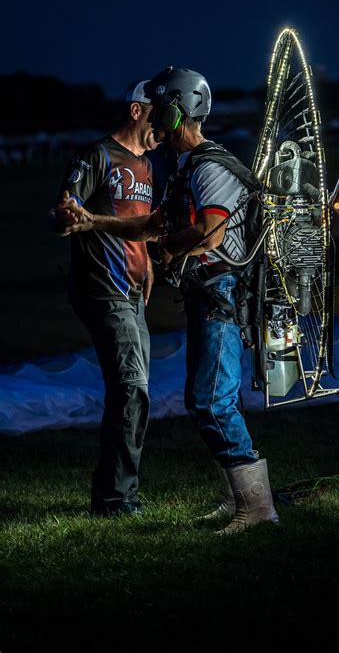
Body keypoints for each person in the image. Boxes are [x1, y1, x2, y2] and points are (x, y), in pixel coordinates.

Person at [56, 68, 279, 534]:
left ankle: (256, 508)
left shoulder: (209, 165)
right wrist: (93, 222)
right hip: (204, 295)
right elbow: (147, 226)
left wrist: (167, 251)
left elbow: (210, 232)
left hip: (221, 293)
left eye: (159, 109)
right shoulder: (184, 171)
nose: (151, 117)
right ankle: (235, 499)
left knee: (212, 402)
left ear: (177, 111)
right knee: (205, 401)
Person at [50, 80, 159, 516]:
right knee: (131, 388)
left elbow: (137, 223)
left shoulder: (147, 166)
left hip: (133, 293)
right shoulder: (96, 156)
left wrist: (147, 261)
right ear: (136, 111)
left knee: (136, 390)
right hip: (103, 290)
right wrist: (65, 218)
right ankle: (114, 499)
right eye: (158, 115)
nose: (164, 128)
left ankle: (118, 493)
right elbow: (65, 213)